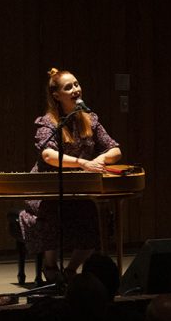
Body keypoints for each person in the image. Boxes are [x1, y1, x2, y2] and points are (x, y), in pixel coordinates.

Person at [19, 68, 122, 282]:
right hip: (47, 191)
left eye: (76, 84)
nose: (75, 89)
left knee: (94, 218)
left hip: (77, 189)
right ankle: (50, 266)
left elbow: (115, 150)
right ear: (56, 95)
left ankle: (71, 269)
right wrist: (82, 163)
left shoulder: (90, 119)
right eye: (69, 87)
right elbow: (48, 155)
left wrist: (99, 160)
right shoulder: (48, 122)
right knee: (52, 212)